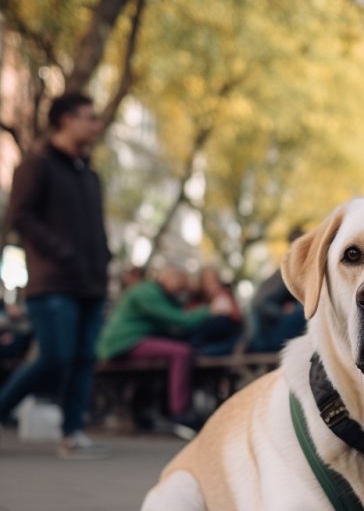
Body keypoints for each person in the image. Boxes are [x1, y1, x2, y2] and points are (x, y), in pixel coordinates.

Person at [0, 92, 110, 459]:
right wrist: (62, 252)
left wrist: (102, 260)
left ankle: (72, 433)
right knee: (54, 358)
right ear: (66, 119)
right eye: (89, 117)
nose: (96, 124)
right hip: (53, 283)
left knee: (82, 359)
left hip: (91, 283)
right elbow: (21, 216)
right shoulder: (38, 164)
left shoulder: (90, 174)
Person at [97, 264, 216, 434]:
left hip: (135, 340)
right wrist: (209, 310)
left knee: (176, 351)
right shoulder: (146, 292)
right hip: (123, 342)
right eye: (178, 279)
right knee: (181, 352)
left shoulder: (162, 294)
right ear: (164, 276)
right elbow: (178, 320)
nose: (181, 285)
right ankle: (180, 413)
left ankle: (160, 410)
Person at [183, 266, 243, 356]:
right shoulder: (195, 298)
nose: (210, 282)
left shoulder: (225, 294)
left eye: (213, 279)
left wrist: (218, 296)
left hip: (224, 340)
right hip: (202, 340)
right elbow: (187, 318)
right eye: (206, 279)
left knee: (221, 321)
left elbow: (236, 317)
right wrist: (207, 311)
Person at [247, 267, 306, 354]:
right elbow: (263, 304)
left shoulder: (276, 278)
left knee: (303, 311)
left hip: (261, 336)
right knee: (302, 313)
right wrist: (283, 311)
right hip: (265, 338)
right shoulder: (286, 275)